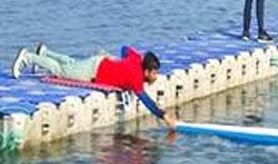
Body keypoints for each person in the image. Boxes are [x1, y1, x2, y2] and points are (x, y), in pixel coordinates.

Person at [11, 44, 177, 129]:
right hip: (93, 71)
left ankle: (45, 53)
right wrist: (163, 116)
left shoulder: (136, 59)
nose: (156, 76)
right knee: (61, 71)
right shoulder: (136, 79)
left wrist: (117, 62)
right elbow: (147, 101)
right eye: (154, 73)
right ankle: (28, 57)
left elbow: (125, 49)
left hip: (99, 61)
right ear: (146, 71)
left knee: (72, 64)